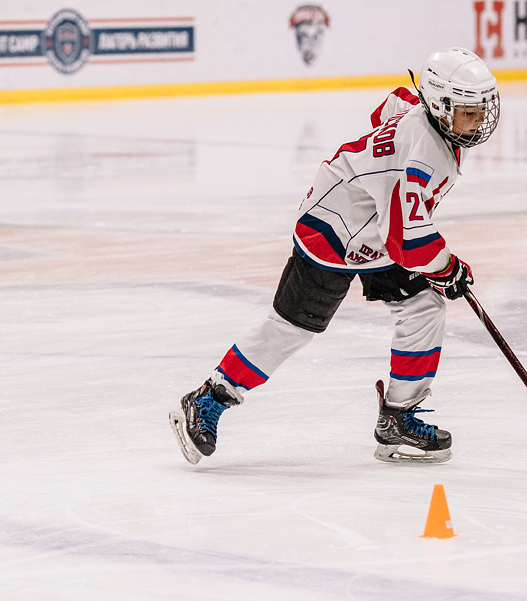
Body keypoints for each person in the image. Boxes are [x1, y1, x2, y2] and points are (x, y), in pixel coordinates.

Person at [169, 47, 501, 465]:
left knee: (424, 306)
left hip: (378, 228)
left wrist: (386, 178)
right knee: (292, 328)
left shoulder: (426, 114)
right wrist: (447, 268)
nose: (478, 121)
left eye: (481, 109)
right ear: (439, 105)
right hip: (332, 227)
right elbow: (406, 240)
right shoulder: (427, 154)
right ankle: (209, 398)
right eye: (467, 111)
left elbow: (394, 103)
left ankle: (397, 418)